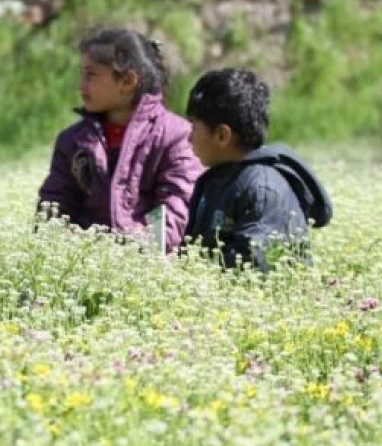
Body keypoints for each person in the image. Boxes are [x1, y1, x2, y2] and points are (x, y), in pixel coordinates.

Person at [37, 27, 203, 251]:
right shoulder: (73, 140)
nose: (81, 85)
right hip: (81, 261)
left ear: (127, 81)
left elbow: (174, 209)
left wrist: (133, 251)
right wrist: (64, 246)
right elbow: (55, 205)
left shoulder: (176, 136)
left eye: (91, 75)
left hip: (146, 266)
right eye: (81, 74)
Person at [183, 67, 332, 271]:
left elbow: (252, 266)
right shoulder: (218, 178)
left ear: (222, 135)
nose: (188, 137)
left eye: (193, 127)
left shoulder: (262, 190)